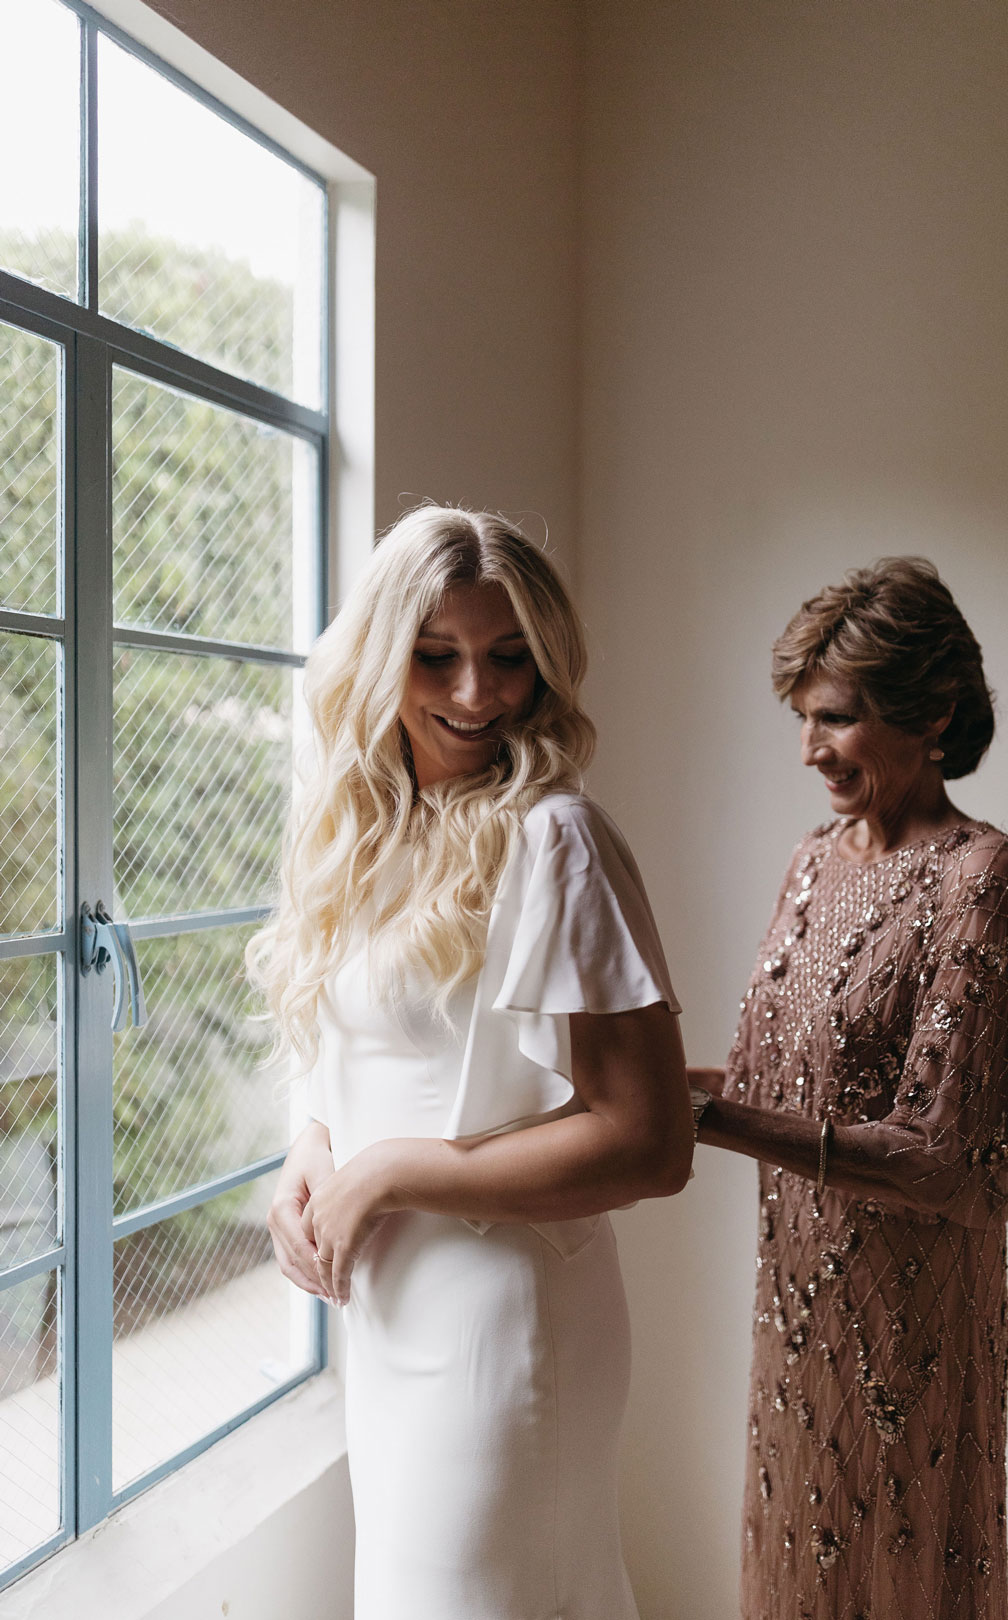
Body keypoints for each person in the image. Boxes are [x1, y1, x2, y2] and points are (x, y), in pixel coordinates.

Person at [250, 505, 691, 1620]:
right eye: (435, 655)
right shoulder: (364, 830)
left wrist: (389, 1173)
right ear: (377, 659)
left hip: (506, 1320)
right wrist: (312, 1152)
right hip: (391, 1309)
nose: (476, 693)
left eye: (508, 658)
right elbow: (357, 1048)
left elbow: (651, 1143)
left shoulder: (558, 838)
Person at [690, 558, 1008, 1620]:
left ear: (934, 714)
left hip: (907, 1322)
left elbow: (936, 1151)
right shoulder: (812, 859)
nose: (810, 749)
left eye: (838, 718)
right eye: (803, 718)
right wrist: (650, 1085)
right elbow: (776, 1083)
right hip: (792, 1308)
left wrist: (712, 1118)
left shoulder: (981, 875)